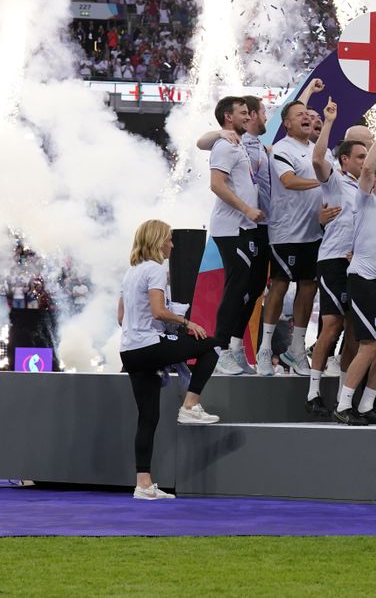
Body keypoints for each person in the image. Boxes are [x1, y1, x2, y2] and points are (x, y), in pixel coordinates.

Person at [118, 220, 220, 500]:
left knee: (148, 417)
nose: (172, 245)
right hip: (147, 346)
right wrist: (187, 323)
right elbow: (158, 311)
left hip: (129, 350)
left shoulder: (130, 273)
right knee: (209, 346)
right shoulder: (154, 270)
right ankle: (190, 404)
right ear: (157, 241)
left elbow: (120, 318)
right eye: (169, 240)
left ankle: (144, 485)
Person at [334, 109, 376, 425]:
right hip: (363, 279)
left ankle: (366, 406)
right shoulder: (365, 200)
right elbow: (367, 171)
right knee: (370, 343)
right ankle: (343, 405)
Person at [306, 97, 366, 416]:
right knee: (332, 325)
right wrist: (329, 121)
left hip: (357, 264)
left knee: (354, 328)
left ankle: (345, 396)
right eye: (360, 155)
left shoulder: (367, 189)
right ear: (345, 159)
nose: (365, 159)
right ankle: (313, 392)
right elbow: (318, 159)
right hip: (332, 260)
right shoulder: (336, 182)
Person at [261, 100, 323, 376]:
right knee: (281, 284)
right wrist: (325, 182)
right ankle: (264, 348)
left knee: (309, 286)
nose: (306, 118)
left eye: (308, 115)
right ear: (287, 124)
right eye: (300, 115)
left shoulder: (319, 151)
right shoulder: (283, 149)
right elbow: (289, 181)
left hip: (315, 231)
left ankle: (297, 349)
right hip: (286, 231)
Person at [205, 96, 266, 376]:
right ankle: (219, 351)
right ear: (228, 117)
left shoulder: (236, 142)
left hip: (246, 226)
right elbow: (216, 185)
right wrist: (246, 209)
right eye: (242, 113)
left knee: (252, 288)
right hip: (232, 227)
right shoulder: (224, 145)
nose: (247, 116)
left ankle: (234, 346)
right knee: (236, 287)